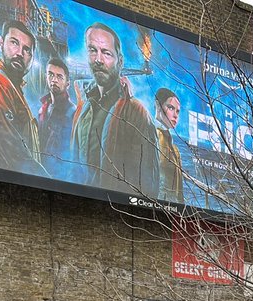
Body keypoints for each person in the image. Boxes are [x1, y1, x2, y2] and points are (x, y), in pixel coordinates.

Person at [71, 22, 159, 197]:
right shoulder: (84, 110)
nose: (98, 59)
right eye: (92, 50)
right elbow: (73, 170)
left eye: (106, 53)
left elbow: (149, 186)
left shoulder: (137, 113)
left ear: (120, 61)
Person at [0, 20, 44, 174]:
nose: (20, 53)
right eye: (14, 43)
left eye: (27, 50)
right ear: (0, 43)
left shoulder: (13, 86)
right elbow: (12, 150)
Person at [37, 57, 76, 177]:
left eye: (59, 77)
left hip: (60, 175)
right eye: (51, 75)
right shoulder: (42, 108)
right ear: (46, 77)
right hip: (40, 172)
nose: (54, 80)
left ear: (67, 83)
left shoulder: (72, 112)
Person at [154, 88, 184, 204]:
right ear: (157, 105)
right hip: (154, 204)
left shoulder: (175, 150)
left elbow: (179, 191)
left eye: (178, 111)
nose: (175, 115)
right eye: (171, 108)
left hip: (173, 211)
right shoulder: (150, 134)